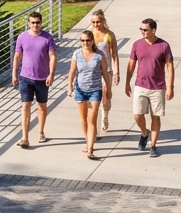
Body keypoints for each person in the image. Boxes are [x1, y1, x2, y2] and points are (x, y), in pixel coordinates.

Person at [125, 18, 175, 157]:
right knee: (137, 115)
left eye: (145, 30)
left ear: (154, 30)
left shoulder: (164, 45)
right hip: (140, 85)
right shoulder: (137, 44)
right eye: (141, 29)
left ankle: (153, 146)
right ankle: (144, 133)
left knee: (155, 117)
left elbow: (170, 67)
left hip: (158, 87)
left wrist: (170, 87)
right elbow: (131, 65)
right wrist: (127, 82)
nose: (142, 32)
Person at [11, 12, 57, 148]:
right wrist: (14, 74)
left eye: (37, 22)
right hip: (25, 77)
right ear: (28, 23)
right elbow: (17, 56)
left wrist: (51, 74)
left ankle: (41, 132)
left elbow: (53, 56)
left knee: (42, 106)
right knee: (26, 105)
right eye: (33, 22)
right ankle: (25, 138)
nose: (35, 25)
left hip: (42, 78)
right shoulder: (22, 37)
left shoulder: (47, 38)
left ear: (41, 23)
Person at [66, 29, 112, 159]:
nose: (85, 43)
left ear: (92, 41)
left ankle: (90, 149)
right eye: (82, 40)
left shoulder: (99, 55)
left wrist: (108, 89)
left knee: (91, 120)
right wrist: (69, 86)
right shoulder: (76, 54)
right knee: (83, 119)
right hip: (80, 90)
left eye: (87, 40)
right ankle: (87, 141)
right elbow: (72, 72)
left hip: (95, 91)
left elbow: (105, 73)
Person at [88, 9, 121, 132]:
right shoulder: (89, 34)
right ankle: (93, 124)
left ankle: (105, 116)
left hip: (106, 70)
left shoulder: (109, 35)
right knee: (93, 98)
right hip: (92, 70)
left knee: (106, 96)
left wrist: (116, 71)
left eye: (98, 22)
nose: (96, 24)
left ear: (103, 21)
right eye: (93, 22)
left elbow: (114, 55)